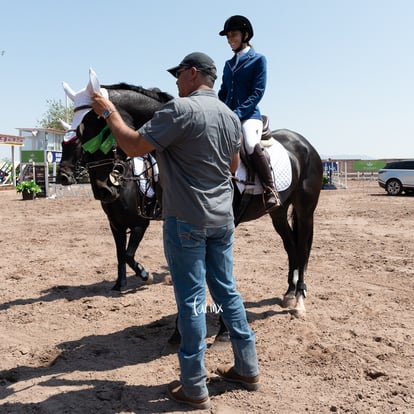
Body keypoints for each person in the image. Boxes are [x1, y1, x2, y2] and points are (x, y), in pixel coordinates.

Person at [92, 52, 260, 410]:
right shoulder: (231, 116)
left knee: (192, 301)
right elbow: (232, 164)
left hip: (186, 219)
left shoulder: (179, 111)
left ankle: (194, 385)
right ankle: (247, 367)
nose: (176, 80)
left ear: (194, 73)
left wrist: (108, 111)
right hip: (222, 219)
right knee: (227, 291)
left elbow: (133, 144)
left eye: (179, 73)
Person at [218, 15, 281, 212]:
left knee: (250, 142)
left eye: (233, 35)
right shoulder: (228, 64)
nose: (229, 39)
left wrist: (237, 113)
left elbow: (257, 92)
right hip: (228, 114)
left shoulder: (258, 60)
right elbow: (223, 92)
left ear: (245, 35)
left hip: (249, 116)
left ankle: (270, 189)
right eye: (227, 36)